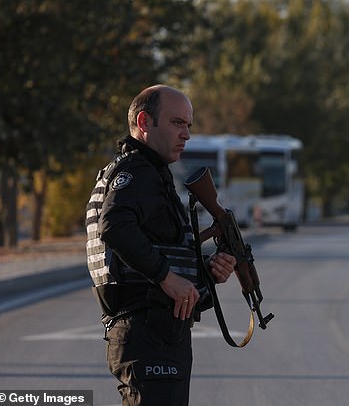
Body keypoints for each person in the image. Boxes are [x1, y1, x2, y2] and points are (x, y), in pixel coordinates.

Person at [85, 84, 236, 405]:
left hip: (158, 332)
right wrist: (169, 278)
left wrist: (206, 273)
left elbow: (162, 256)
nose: (186, 135)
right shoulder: (137, 172)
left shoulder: (149, 174)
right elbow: (114, 227)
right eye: (177, 123)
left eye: (189, 125)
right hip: (146, 332)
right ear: (144, 123)